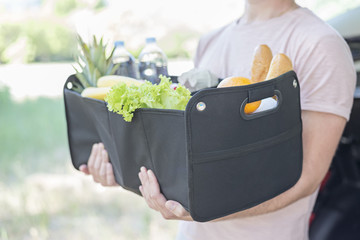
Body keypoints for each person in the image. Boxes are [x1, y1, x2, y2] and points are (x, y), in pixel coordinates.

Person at [79, 0, 356, 239]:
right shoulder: (210, 41)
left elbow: (306, 177)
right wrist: (126, 167)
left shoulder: (321, 44)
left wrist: (202, 212)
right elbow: (192, 152)